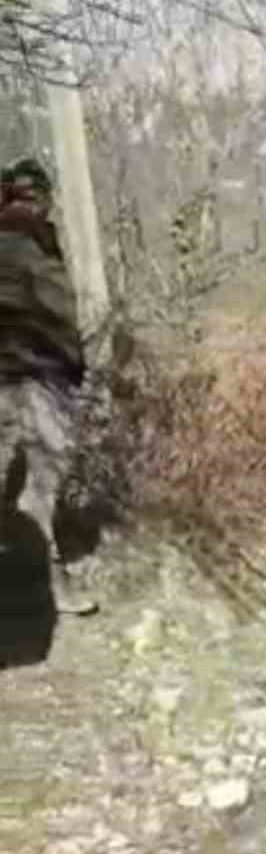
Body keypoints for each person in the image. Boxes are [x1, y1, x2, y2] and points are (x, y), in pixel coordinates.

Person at [0, 157, 97, 616]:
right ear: (40, 197)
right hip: (38, 374)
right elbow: (58, 312)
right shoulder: (36, 241)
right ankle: (52, 586)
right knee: (44, 481)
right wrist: (75, 366)